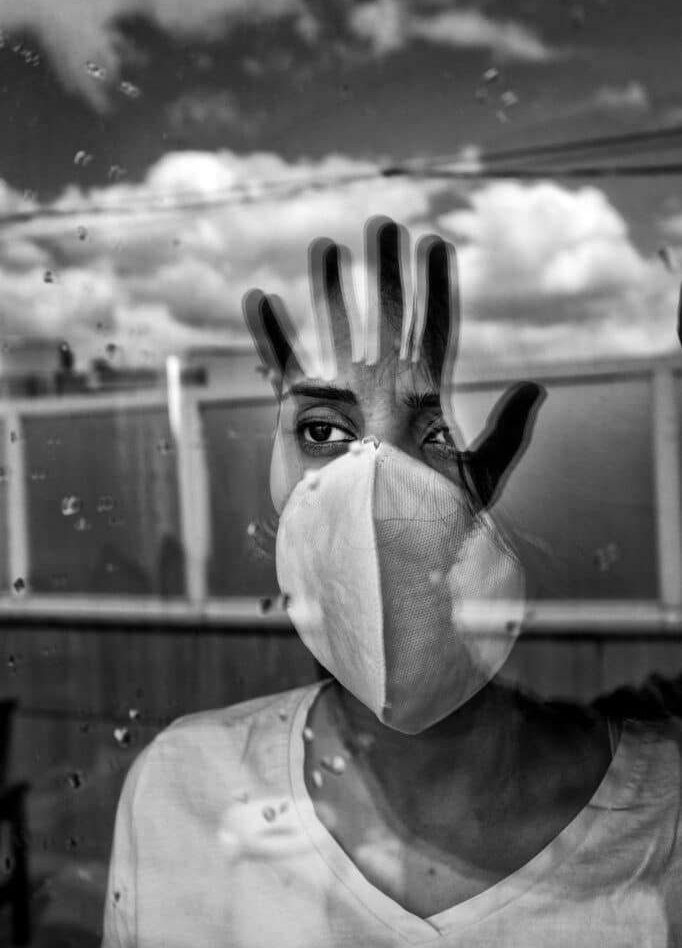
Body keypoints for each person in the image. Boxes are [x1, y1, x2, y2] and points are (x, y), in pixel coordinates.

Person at [101, 217, 682, 948]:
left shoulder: (666, 823)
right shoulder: (179, 794)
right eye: (322, 432)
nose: (372, 489)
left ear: (504, 468)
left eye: (439, 431)